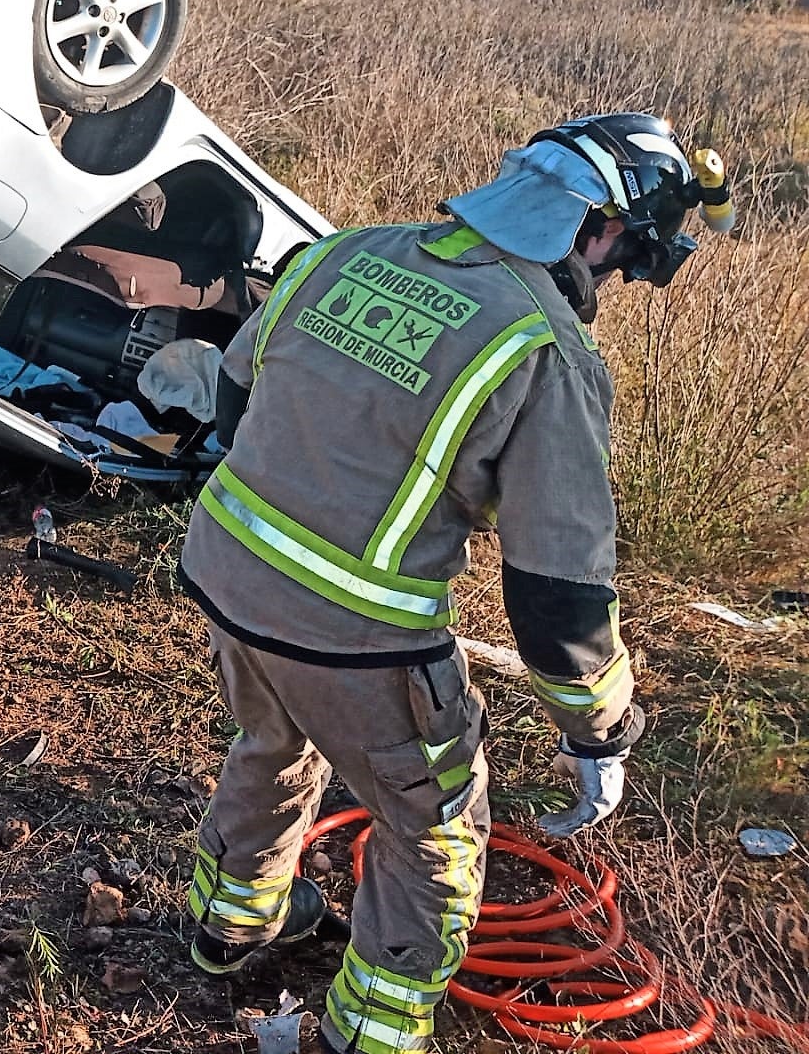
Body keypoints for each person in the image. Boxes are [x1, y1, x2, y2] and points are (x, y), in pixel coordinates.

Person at [176, 114, 734, 1054]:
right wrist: (599, 731)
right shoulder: (545, 350)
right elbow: (558, 594)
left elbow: (239, 395)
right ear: (594, 229)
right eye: (622, 259)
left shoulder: (342, 254)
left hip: (228, 572)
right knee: (431, 832)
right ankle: (376, 1031)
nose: (612, 282)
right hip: (359, 637)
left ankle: (230, 924)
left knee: (271, 739)